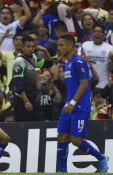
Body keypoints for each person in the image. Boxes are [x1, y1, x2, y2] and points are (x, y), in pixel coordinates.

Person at [56, 34, 108, 173]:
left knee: (76, 140)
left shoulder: (78, 62)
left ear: (70, 45)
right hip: (68, 105)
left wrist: (73, 102)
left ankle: (101, 158)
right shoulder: (68, 62)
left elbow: (84, 84)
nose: (59, 48)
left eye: (61, 45)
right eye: (58, 45)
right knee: (61, 136)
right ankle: (62, 171)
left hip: (79, 106)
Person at [11, 35, 44, 122]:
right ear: (22, 47)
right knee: (24, 127)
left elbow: (48, 64)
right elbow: (19, 84)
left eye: (33, 46)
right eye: (28, 46)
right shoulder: (19, 62)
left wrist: (45, 50)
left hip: (33, 97)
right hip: (22, 100)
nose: (31, 49)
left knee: (39, 123)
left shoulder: (34, 57)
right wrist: (26, 102)